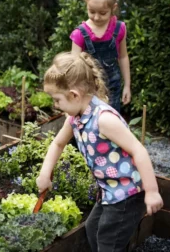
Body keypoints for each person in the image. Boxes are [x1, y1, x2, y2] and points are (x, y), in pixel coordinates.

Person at [36, 52, 163, 252]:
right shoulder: (76, 117)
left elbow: (139, 150)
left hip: (127, 194)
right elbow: (58, 144)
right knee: (93, 227)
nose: (55, 106)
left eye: (57, 100)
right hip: (109, 190)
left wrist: (153, 192)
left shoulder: (104, 119)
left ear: (74, 95)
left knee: (108, 241)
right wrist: (45, 173)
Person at [70, 0, 130, 113]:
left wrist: (127, 85)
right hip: (89, 89)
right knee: (90, 125)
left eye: (102, 13)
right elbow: (74, 66)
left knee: (110, 120)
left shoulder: (120, 29)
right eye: (91, 11)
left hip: (112, 88)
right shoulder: (80, 34)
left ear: (113, 8)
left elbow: (123, 57)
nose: (96, 17)